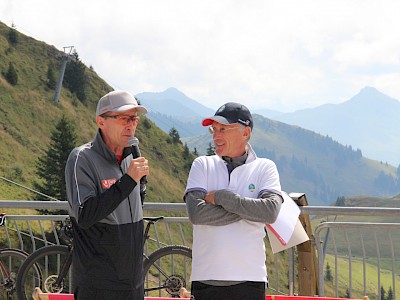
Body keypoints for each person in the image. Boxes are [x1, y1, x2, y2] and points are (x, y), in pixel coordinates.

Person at [184, 102, 284, 300]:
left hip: (250, 278)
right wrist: (250, 210)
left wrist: (223, 198)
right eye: (214, 129)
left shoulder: (265, 167)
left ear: (245, 133)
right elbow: (196, 213)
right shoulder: (202, 164)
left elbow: (270, 212)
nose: (215, 135)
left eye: (223, 129)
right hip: (206, 277)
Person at [65, 90, 150, 300]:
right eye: (124, 118)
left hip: (133, 283)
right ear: (101, 121)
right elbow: (85, 215)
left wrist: (134, 181)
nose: (131, 125)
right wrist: (128, 181)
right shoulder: (82, 158)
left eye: (134, 119)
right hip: (98, 284)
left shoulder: (131, 159)